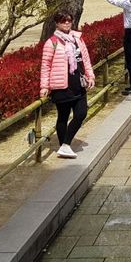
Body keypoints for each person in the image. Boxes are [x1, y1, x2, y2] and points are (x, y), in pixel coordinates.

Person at [40, 11, 96, 159]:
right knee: (63, 117)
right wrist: (44, 86)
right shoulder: (51, 42)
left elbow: (85, 60)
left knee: (81, 113)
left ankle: (65, 145)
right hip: (61, 86)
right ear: (57, 23)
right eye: (63, 21)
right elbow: (45, 66)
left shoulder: (77, 39)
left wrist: (90, 75)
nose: (66, 23)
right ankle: (64, 146)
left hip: (78, 83)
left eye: (69, 20)